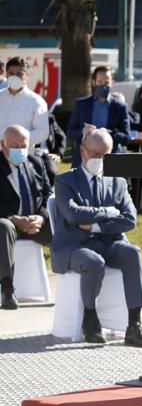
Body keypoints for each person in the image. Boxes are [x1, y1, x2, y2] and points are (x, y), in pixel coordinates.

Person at [52, 129, 142, 347]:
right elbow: (72, 214)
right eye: (95, 153)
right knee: (93, 262)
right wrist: (108, 212)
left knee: (132, 253)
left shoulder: (117, 181)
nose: (99, 160)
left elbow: (129, 219)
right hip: (75, 246)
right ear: (82, 151)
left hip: (109, 242)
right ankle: (90, 318)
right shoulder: (65, 180)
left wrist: (95, 225)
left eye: (105, 155)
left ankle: (134, 325)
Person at [0, 125, 52, 310]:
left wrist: (42, 217)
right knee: (3, 227)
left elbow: (48, 194)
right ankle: (7, 289)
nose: (20, 150)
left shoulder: (36, 163)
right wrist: (14, 219)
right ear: (3, 144)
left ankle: (72, 280)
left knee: (63, 225)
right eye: (15, 145)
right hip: (10, 223)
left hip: (35, 223)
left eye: (24, 145)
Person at [67, 66, 131, 167]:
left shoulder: (120, 107)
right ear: (94, 83)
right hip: (84, 160)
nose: (103, 85)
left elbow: (127, 137)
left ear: (112, 83)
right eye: (100, 82)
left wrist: (107, 133)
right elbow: (70, 133)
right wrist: (83, 132)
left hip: (110, 160)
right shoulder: (81, 104)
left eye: (106, 82)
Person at [0, 57, 49, 152]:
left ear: (26, 76)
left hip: (23, 155)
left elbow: (42, 132)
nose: (15, 77)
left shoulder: (36, 101)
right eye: (11, 74)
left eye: (19, 74)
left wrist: (19, 138)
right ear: (6, 74)